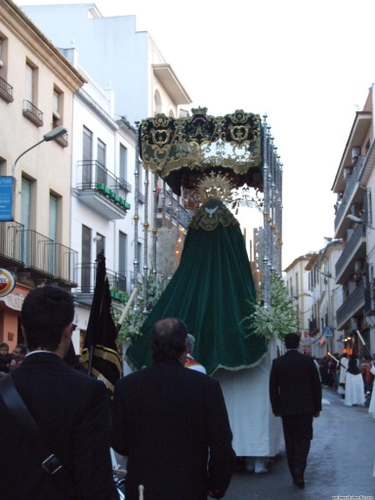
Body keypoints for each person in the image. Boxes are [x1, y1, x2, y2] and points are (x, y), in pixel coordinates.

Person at [0, 285, 119, 500]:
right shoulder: (89, 392)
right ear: (67, 331)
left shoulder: (4, 389)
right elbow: (96, 482)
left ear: (24, 330)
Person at [112, 317, 236, 500]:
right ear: (185, 344)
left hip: (143, 488)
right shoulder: (206, 387)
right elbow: (221, 444)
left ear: (152, 345)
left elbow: (118, 441)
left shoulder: (127, 386)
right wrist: (216, 484)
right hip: (189, 486)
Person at [269, 333, 322, 490]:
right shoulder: (308, 361)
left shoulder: (278, 363)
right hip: (306, 408)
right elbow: (316, 385)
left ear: (285, 345)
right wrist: (317, 407)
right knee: (304, 439)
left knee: (290, 440)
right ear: (299, 344)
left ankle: (295, 472)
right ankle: (300, 467)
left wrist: (276, 408)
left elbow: (273, 388)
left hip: (287, 409)